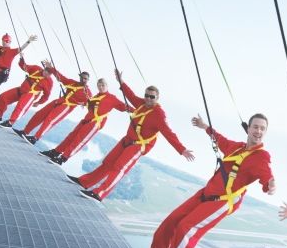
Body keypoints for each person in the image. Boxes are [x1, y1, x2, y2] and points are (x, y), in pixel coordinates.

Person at [127, 113, 275, 248]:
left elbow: (266, 175)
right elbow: (220, 139)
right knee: (172, 220)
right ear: (248, 128)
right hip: (206, 193)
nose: (258, 131)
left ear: (265, 132)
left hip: (222, 201)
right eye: (255, 127)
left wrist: (270, 184)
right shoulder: (237, 147)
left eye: (262, 128)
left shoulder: (261, 157)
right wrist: (205, 126)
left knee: (186, 228)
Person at [70, 70, 194, 202]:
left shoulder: (159, 114)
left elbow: (169, 133)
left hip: (140, 145)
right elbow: (130, 96)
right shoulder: (142, 104)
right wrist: (121, 82)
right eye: (147, 95)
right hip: (127, 140)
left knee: (119, 167)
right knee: (108, 162)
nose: (148, 98)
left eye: (152, 97)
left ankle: (100, 193)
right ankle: (84, 182)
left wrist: (182, 149)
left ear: (157, 98)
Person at [40, 78, 127, 164]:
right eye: (99, 86)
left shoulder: (112, 98)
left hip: (95, 122)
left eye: (103, 85)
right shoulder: (96, 97)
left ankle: (63, 158)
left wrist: (135, 110)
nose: (101, 87)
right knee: (71, 137)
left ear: (107, 86)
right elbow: (90, 106)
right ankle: (56, 152)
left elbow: (123, 107)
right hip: (86, 120)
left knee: (79, 141)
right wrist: (85, 103)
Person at [14, 68, 91, 144]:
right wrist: (52, 68)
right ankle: (25, 132)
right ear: (80, 77)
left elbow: (91, 105)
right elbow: (61, 77)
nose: (83, 80)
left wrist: (86, 102)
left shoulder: (87, 92)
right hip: (57, 102)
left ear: (87, 80)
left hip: (66, 107)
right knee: (39, 115)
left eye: (85, 79)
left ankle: (35, 138)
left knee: (49, 120)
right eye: (82, 77)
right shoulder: (72, 83)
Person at [0, 59, 54, 129]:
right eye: (47, 72)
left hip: (30, 94)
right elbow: (24, 67)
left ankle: (10, 122)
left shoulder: (49, 82)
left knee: (20, 107)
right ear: (44, 69)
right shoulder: (36, 68)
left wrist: (39, 102)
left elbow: (46, 95)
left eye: (49, 74)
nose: (47, 75)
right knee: (3, 97)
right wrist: (21, 60)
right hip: (21, 89)